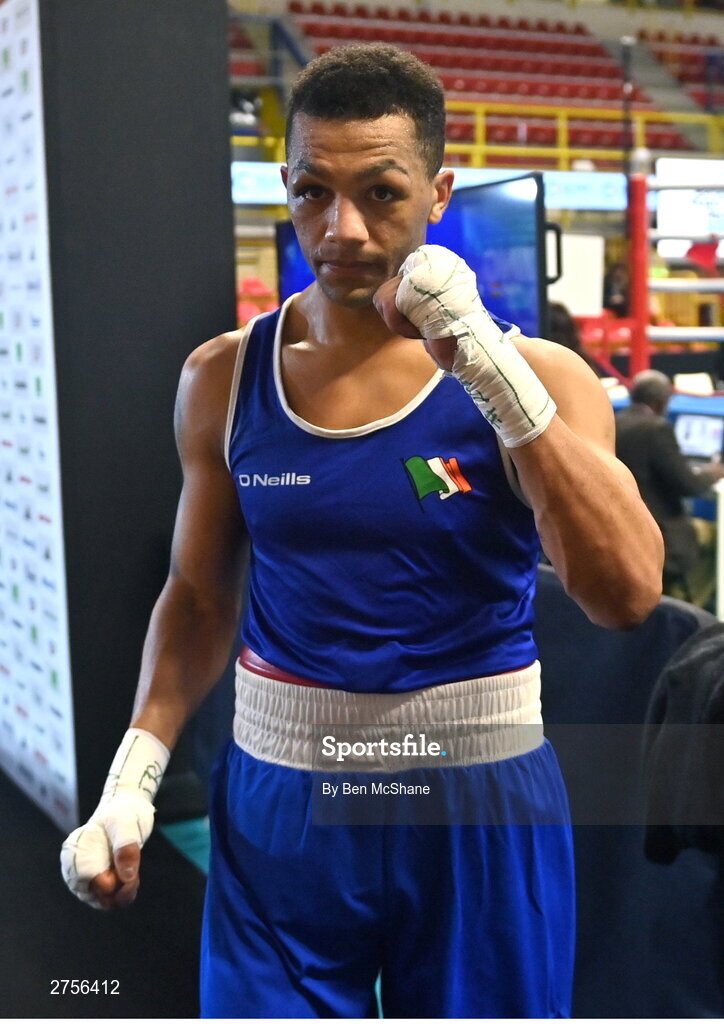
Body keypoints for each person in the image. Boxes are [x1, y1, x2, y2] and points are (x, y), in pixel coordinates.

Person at [60, 45, 663, 1018]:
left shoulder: (537, 376)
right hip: (283, 795)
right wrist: (134, 777)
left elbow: (627, 592)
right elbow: (202, 593)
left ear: (438, 192)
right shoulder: (223, 376)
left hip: (476, 794)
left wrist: (483, 367)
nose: (337, 229)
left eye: (379, 192)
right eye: (310, 193)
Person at [615, 369, 724, 599]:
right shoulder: (657, 429)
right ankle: (692, 601)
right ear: (660, 401)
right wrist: (716, 471)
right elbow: (690, 485)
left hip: (627, 526)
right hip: (662, 529)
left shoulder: (617, 422)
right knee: (715, 535)